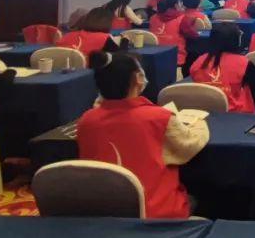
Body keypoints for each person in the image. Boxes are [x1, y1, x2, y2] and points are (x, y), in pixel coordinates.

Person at [77, 49, 208, 219]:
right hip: (156, 212)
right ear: (137, 78)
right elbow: (188, 146)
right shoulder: (158, 117)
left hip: (104, 213)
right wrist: (200, 124)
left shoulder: (86, 120)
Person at [190, 23, 255, 113]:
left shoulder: (198, 62)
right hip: (236, 115)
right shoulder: (242, 63)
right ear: (236, 41)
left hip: (205, 113)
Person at [148, 0, 188, 65]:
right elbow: (192, 34)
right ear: (176, 5)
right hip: (176, 58)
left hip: (154, 58)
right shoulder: (182, 18)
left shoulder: (153, 18)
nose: (182, 4)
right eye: (180, 2)